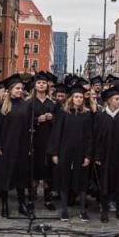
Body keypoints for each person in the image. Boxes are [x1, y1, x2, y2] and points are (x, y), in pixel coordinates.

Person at [48, 85, 93, 221]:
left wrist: (88, 155)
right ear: (71, 98)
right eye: (76, 97)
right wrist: (55, 153)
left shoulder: (87, 115)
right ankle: (64, 210)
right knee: (64, 179)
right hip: (64, 151)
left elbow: (90, 136)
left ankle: (82, 210)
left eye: (80, 97)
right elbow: (57, 133)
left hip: (81, 152)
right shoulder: (63, 113)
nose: (79, 99)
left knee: (82, 180)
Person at [0, 74, 31, 217]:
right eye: (17, 88)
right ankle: (5, 205)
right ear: (10, 89)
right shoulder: (0, 106)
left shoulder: (26, 106)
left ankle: (21, 204)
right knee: (4, 176)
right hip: (5, 147)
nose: (20, 90)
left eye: (21, 88)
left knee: (20, 176)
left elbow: (30, 127)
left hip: (21, 147)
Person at [93, 88, 119, 223]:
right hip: (105, 157)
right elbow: (97, 139)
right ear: (109, 101)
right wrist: (97, 157)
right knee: (105, 184)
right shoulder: (101, 116)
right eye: (116, 99)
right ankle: (104, 211)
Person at [30, 72, 58, 211]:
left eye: (43, 83)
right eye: (39, 83)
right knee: (33, 168)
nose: (41, 84)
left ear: (47, 85)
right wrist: (36, 120)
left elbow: (58, 122)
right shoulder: (29, 102)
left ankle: (48, 198)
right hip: (34, 140)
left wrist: (52, 117)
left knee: (48, 170)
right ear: (35, 86)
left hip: (48, 140)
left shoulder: (52, 103)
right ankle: (32, 195)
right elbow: (23, 121)